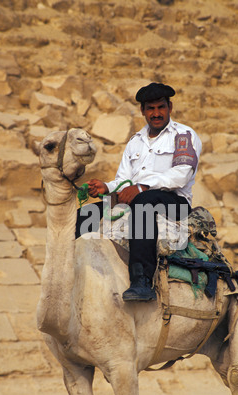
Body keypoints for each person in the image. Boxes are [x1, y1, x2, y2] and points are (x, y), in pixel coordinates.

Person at [78, 82, 202, 302]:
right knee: (86, 214)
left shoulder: (183, 135)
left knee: (143, 202)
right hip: (138, 196)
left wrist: (142, 187)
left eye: (160, 107)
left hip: (175, 202)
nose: (156, 113)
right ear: (143, 111)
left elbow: (181, 174)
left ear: (170, 107)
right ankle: (76, 274)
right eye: (150, 109)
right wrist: (106, 187)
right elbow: (124, 181)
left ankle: (141, 279)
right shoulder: (136, 142)